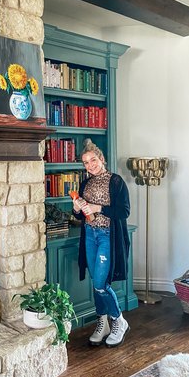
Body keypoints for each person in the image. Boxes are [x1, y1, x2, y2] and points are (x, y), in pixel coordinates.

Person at [72, 138, 131, 348]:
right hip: (89, 235)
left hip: (108, 236)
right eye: (86, 163)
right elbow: (79, 215)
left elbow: (124, 212)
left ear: (101, 158)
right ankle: (102, 322)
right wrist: (77, 208)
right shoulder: (85, 183)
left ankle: (118, 321)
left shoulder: (115, 181)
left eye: (93, 160)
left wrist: (98, 208)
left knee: (100, 283)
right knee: (95, 283)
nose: (90, 165)